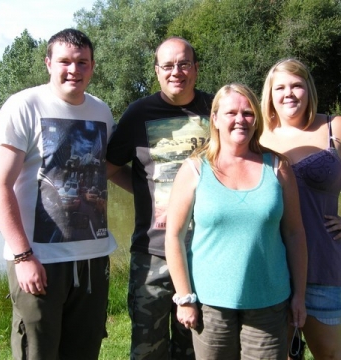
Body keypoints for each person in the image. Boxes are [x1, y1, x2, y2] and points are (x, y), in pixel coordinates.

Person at [0, 28, 120, 360]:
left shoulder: (101, 111)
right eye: (65, 61)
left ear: (92, 66)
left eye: (82, 62)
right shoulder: (23, 106)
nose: (73, 70)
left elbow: (108, 170)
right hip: (40, 260)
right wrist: (22, 257)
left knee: (85, 350)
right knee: (38, 352)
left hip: (93, 256)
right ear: (48, 63)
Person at [165, 83, 308, 359]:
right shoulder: (195, 168)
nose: (240, 120)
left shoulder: (278, 167)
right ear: (215, 119)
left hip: (269, 302)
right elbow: (174, 235)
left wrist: (299, 295)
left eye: (248, 113)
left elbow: (295, 234)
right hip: (210, 306)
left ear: (257, 119)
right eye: (231, 113)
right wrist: (184, 298)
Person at [106, 36, 213, 359]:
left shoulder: (217, 108)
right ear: (156, 71)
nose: (176, 71)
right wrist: (147, 196)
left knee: (196, 346)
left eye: (183, 64)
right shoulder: (139, 113)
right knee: (147, 349)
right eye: (168, 65)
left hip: (206, 249)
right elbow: (110, 169)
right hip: (152, 252)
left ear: (195, 68)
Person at [260, 58, 341, 360]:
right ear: (270, 94)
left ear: (309, 88)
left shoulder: (334, 127)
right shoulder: (256, 136)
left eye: (296, 85)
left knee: (330, 355)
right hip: (271, 269)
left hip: (323, 263)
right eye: (280, 87)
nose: (289, 93)